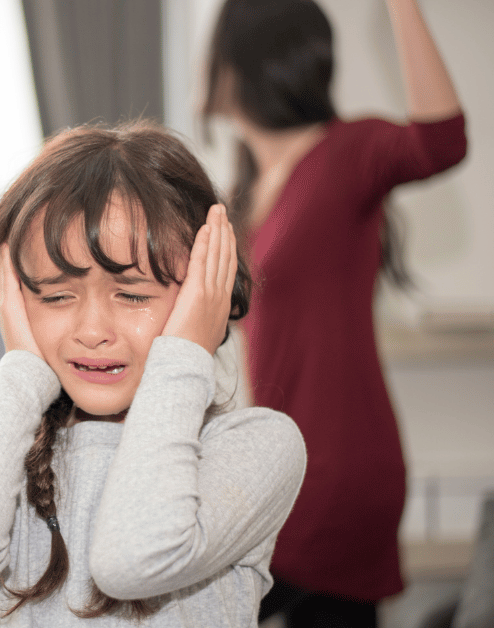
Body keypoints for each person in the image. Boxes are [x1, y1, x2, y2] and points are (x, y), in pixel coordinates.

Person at [0, 122, 307, 626]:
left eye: (133, 295)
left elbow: (133, 559)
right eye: (55, 295)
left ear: (208, 296)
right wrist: (23, 374)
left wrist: (183, 353)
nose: (92, 330)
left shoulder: (255, 446)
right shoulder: (11, 449)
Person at [201, 0, 467, 625]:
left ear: (242, 65)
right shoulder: (246, 188)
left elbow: (442, 140)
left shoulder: (345, 155)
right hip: (281, 471)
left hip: (335, 473)